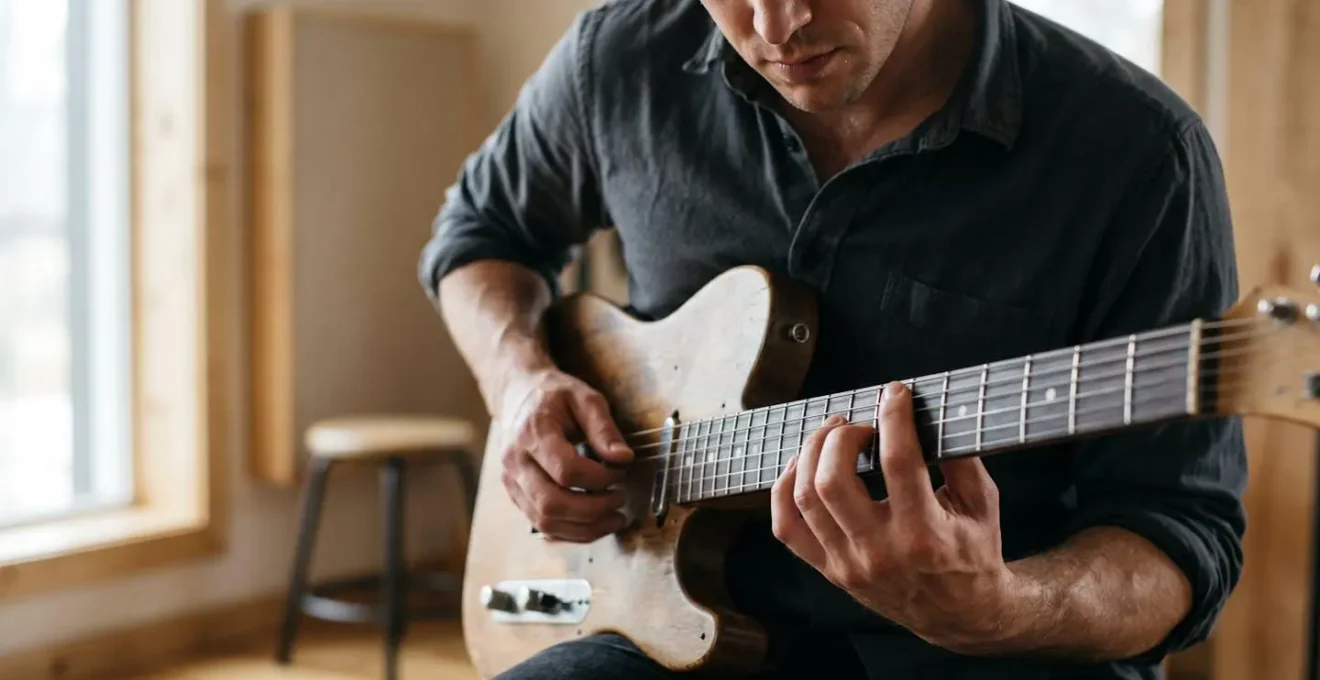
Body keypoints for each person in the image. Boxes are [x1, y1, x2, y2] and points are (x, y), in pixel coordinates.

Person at [418, 0, 1246, 677]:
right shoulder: (623, 55)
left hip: (999, 656)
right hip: (645, 627)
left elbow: (1180, 540)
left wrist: (996, 608)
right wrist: (519, 380)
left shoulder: (1139, 154)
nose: (778, 26)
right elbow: (480, 231)